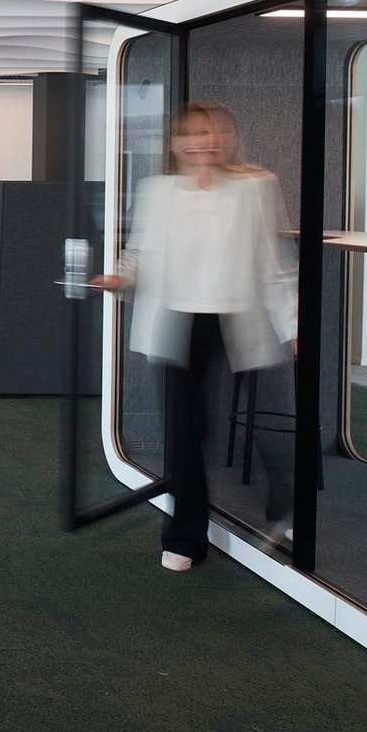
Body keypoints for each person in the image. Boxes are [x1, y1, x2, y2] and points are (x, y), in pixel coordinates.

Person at [93, 102, 297, 573]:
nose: (202, 141)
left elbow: (273, 263)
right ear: (174, 143)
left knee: (266, 424)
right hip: (176, 321)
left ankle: (285, 511)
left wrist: (292, 323)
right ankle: (186, 537)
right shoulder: (158, 191)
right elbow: (141, 252)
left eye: (211, 132)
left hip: (237, 317)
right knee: (185, 434)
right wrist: (120, 277)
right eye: (190, 134)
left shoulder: (255, 187)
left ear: (227, 137)